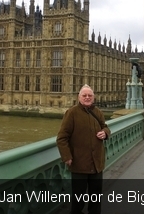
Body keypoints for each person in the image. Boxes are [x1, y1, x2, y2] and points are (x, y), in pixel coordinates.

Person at [56, 84, 111, 214]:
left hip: (97, 163)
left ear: (94, 97)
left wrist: (105, 132)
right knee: (78, 200)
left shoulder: (98, 112)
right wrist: (67, 156)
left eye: (89, 95)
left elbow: (105, 126)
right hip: (79, 163)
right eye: (84, 95)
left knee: (96, 198)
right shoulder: (72, 113)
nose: (87, 97)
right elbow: (61, 138)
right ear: (79, 97)